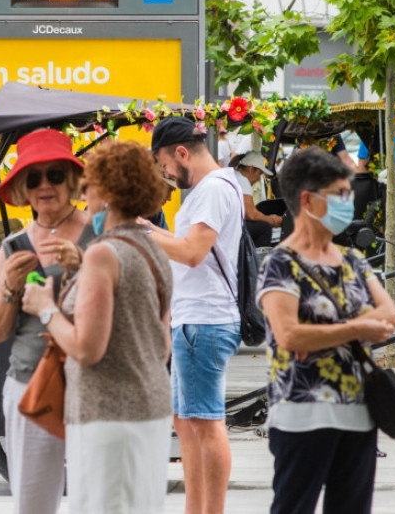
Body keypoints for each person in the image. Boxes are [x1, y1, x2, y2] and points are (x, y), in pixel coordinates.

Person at [22, 140, 173, 514]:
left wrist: (46, 309)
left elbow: (88, 349)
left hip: (107, 416)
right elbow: (162, 344)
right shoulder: (153, 250)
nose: (83, 195)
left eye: (87, 186)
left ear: (105, 191)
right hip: (149, 410)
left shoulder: (104, 253)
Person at [258, 147, 395, 514]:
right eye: (339, 194)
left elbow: (389, 315)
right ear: (307, 200)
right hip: (303, 414)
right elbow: (289, 335)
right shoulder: (280, 264)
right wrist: (358, 326)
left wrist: (323, 333)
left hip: (358, 410)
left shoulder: (352, 259)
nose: (347, 202)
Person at [0, 129, 90, 514]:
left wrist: (85, 264)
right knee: (32, 505)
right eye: (34, 178)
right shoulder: (13, 247)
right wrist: (10, 287)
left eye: (56, 175)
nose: (45, 185)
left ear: (73, 181)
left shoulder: (98, 235)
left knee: (93, 502)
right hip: (30, 385)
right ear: (24, 190)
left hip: (92, 385)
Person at [145, 116, 243, 514]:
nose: (166, 175)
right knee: (186, 421)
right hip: (194, 321)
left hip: (206, 320)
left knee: (205, 422)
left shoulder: (213, 190)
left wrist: (144, 233)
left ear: (181, 152)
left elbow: (192, 252)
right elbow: (186, 245)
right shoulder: (210, 189)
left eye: (164, 165)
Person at [233, 150, 283, 248]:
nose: (257, 179)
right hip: (230, 228)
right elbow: (251, 215)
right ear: (251, 169)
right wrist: (271, 220)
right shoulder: (243, 180)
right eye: (259, 174)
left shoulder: (235, 175)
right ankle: (258, 260)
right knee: (264, 227)